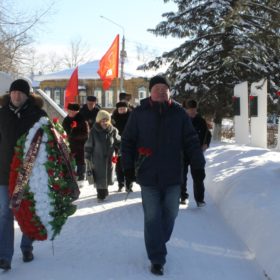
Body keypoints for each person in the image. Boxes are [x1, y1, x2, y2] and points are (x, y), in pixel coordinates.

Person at [121, 75, 205, 276]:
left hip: (173, 175)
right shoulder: (139, 113)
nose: (160, 90)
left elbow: (191, 140)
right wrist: (128, 168)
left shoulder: (179, 113)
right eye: (157, 87)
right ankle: (157, 258)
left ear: (169, 91)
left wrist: (198, 165)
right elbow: (128, 141)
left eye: (164, 88)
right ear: (150, 91)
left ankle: (157, 241)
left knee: (171, 213)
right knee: (151, 217)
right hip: (148, 175)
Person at [0, 79, 47, 270]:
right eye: (13, 92)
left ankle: (27, 246)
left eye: (20, 92)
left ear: (27, 95)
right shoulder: (1, 114)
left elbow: (47, 142)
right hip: (3, 172)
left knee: (27, 210)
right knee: (5, 213)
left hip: (28, 172)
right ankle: (4, 256)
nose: (16, 95)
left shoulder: (38, 115)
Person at [180, 99, 212, 206]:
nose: (193, 112)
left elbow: (208, 135)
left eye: (194, 110)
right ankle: (182, 196)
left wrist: (206, 144)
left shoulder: (201, 121)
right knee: (181, 175)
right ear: (186, 110)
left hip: (196, 152)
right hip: (183, 152)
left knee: (198, 176)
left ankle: (199, 199)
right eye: (191, 110)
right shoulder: (181, 120)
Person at [85, 110, 120, 201]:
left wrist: (121, 148)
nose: (104, 122)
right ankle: (100, 194)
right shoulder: (94, 131)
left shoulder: (113, 130)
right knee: (99, 176)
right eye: (102, 120)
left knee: (108, 175)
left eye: (106, 120)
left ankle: (105, 190)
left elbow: (118, 142)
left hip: (109, 158)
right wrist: (87, 156)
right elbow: (89, 145)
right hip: (98, 158)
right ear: (99, 121)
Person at [62, 103, 89, 187]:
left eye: (73, 111)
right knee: (69, 161)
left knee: (80, 161)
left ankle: (81, 177)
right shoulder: (66, 120)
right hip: (69, 144)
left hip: (80, 144)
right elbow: (63, 130)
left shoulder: (82, 119)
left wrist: (73, 135)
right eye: (69, 111)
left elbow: (85, 134)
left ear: (76, 112)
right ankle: (70, 177)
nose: (71, 113)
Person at [111, 101, 132, 192]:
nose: (122, 110)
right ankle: (121, 184)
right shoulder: (113, 118)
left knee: (129, 164)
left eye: (124, 109)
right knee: (119, 165)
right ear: (117, 109)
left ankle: (129, 184)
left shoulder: (132, 116)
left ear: (127, 108)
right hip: (117, 144)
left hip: (129, 143)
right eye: (120, 109)